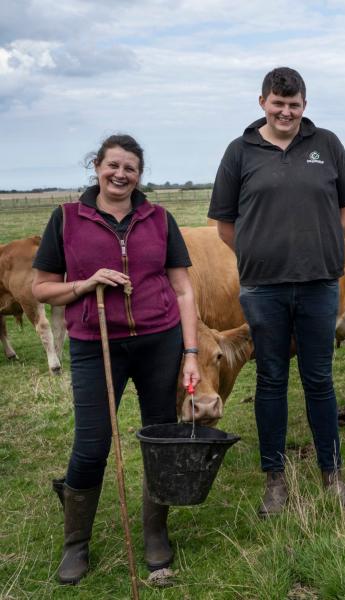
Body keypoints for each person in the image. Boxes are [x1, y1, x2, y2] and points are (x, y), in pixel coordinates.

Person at [32, 134, 201, 584]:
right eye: (112, 165)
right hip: (94, 341)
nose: (120, 174)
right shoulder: (67, 219)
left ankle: (155, 534)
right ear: (97, 167)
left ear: (139, 175)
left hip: (158, 341)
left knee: (160, 436)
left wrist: (190, 352)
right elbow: (42, 287)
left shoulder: (160, 219)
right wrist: (84, 285)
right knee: (92, 444)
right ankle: (76, 544)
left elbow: (183, 289)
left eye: (130, 168)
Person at [208, 66, 345, 516]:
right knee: (271, 379)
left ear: (304, 105)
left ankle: (332, 475)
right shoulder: (240, 152)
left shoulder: (327, 144)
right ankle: (275, 479)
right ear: (263, 103)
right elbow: (224, 224)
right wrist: (261, 256)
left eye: (294, 105)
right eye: (278, 104)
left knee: (320, 379)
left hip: (319, 285)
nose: (286, 112)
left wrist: (322, 249)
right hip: (263, 290)